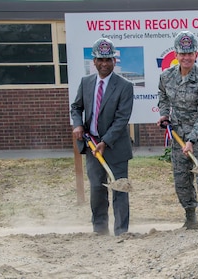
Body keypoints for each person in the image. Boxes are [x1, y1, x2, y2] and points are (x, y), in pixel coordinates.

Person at [70, 38, 134, 236]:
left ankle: (121, 231)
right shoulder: (86, 82)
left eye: (108, 59)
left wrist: (105, 141)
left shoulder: (125, 86)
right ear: (94, 61)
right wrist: (78, 124)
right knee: (97, 188)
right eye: (100, 60)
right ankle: (99, 229)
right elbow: (76, 107)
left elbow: (122, 118)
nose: (104, 64)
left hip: (115, 147)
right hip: (91, 146)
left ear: (114, 61)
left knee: (119, 188)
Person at [157, 31, 198, 229]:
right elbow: (163, 95)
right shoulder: (167, 77)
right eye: (182, 53)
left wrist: (192, 140)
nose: (186, 57)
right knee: (181, 179)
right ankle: (190, 216)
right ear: (176, 54)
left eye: (190, 53)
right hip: (178, 137)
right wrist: (165, 114)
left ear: (196, 55)